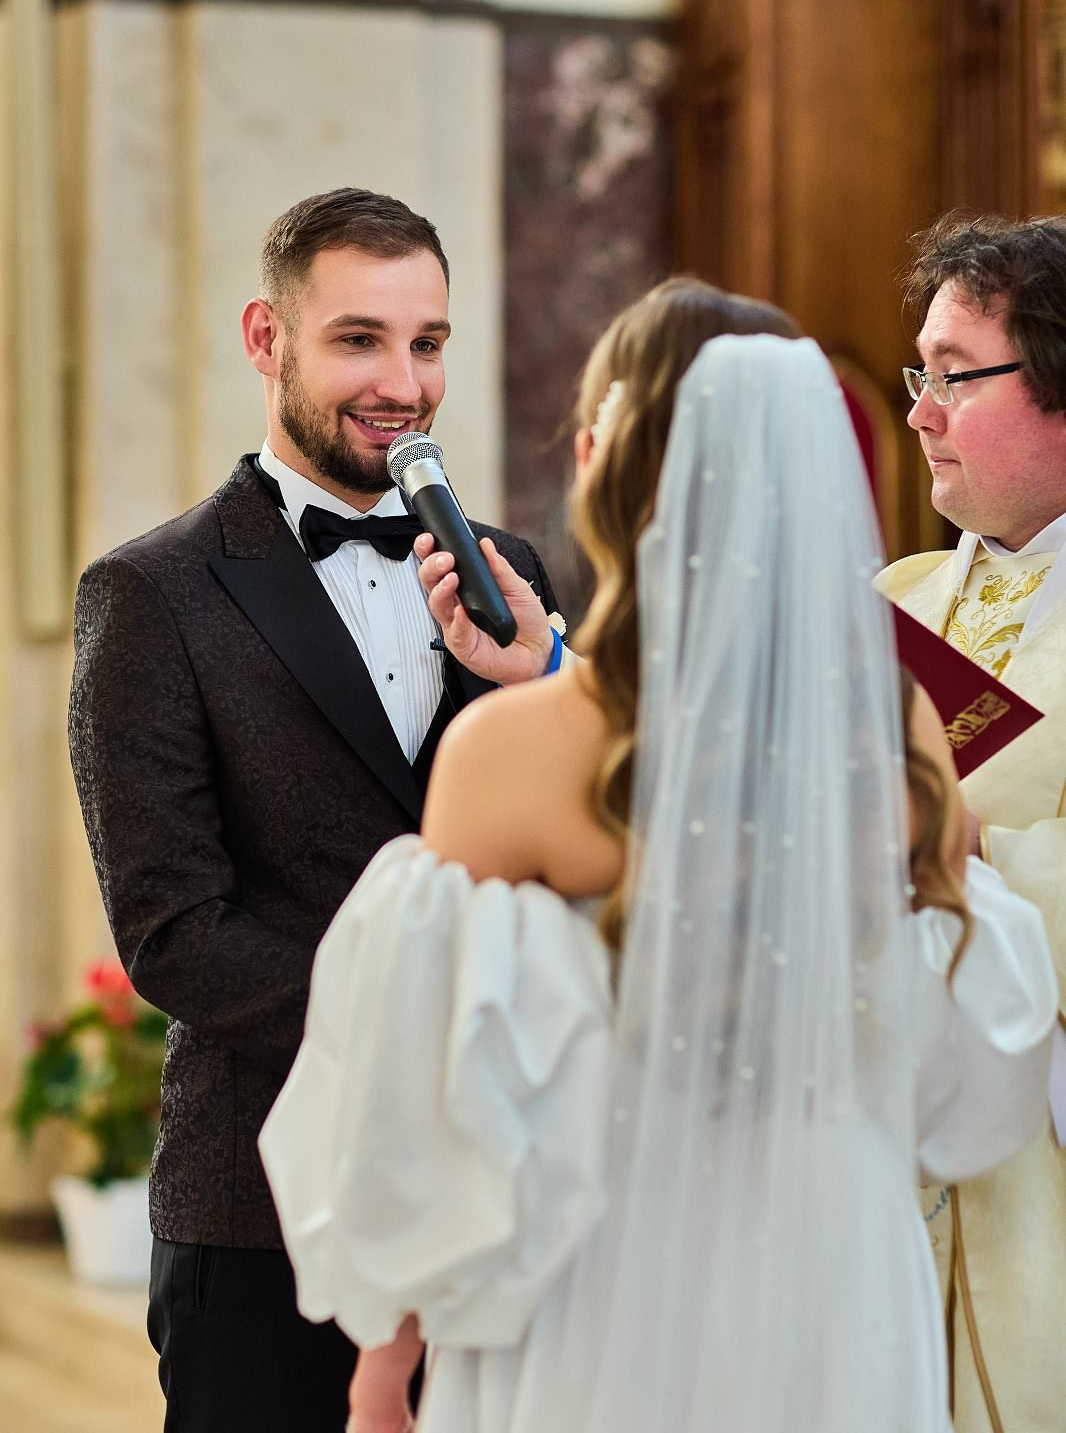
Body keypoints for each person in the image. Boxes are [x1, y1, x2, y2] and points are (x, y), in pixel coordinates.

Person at [260, 278, 1057, 1433]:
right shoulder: (901, 738)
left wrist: (386, 1361)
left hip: (599, 1291)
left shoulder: (510, 751)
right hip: (840, 1290)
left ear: (598, 455)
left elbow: (424, 1108)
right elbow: (974, 1087)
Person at [67, 188, 562, 1433]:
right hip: (263, 1208)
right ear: (264, 338)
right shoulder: (152, 593)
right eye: (359, 339)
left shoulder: (518, 581)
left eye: (429, 341)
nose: (402, 381)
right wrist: (411, 1043)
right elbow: (173, 930)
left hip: (503, 1204)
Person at [875, 212, 1066, 1432]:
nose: (919, 410)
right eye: (919, 373)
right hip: (872, 1176)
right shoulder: (884, 598)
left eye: (955, 374)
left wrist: (970, 851)